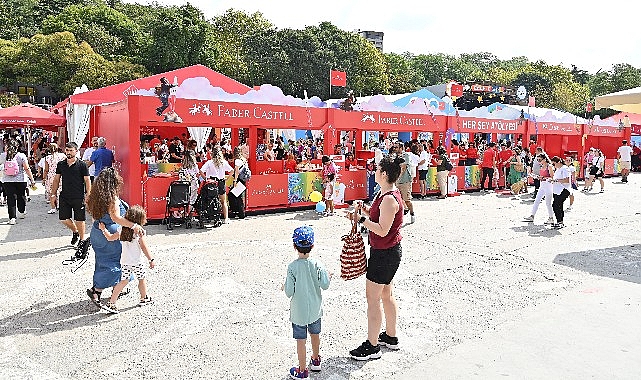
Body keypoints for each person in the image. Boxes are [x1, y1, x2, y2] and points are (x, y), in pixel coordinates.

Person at [348, 154, 404, 361]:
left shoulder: (389, 199)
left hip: (384, 255)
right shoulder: (387, 194)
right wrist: (365, 209)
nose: (374, 172)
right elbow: (379, 218)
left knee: (373, 299)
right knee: (386, 295)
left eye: (377, 169)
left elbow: (381, 229)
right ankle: (390, 336)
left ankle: (372, 346)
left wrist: (361, 218)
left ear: (385, 174)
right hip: (388, 252)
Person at [86, 168, 145, 307]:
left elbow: (94, 216)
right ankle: (97, 290)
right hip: (112, 234)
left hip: (98, 232)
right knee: (117, 263)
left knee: (102, 262)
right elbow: (116, 218)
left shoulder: (94, 196)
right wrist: (133, 226)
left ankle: (105, 290)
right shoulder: (113, 198)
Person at [283, 226, 331, 379]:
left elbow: (289, 292)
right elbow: (325, 285)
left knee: (300, 340)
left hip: (299, 313)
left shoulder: (292, 267)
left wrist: (284, 285)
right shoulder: (318, 265)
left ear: (294, 246)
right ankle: (316, 360)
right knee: (315, 334)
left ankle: (302, 370)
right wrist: (328, 275)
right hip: (315, 310)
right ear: (313, 246)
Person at [99, 205, 155, 314]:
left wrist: (103, 229)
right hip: (137, 262)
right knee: (141, 279)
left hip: (125, 262)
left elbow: (110, 238)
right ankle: (144, 298)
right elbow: (144, 247)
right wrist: (150, 259)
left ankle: (112, 302)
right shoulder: (139, 232)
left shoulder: (122, 230)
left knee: (123, 281)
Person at [50, 142, 92, 254]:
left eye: (71, 150)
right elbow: (56, 179)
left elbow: (87, 180)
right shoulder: (61, 164)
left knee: (80, 219)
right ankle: (75, 231)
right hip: (64, 196)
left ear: (76, 151)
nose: (68, 152)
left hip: (78, 196)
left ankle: (82, 241)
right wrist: (53, 194)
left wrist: (88, 194)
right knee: (63, 218)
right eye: (67, 150)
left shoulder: (82, 165)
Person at [0, 140, 36, 225]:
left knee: (10, 198)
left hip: (7, 181)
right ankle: (22, 211)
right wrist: (32, 179)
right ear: (17, 147)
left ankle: (12, 218)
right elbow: (27, 168)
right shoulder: (21, 155)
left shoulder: (3, 156)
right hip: (20, 180)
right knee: (21, 195)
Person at [200, 145, 233, 223]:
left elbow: (201, 171)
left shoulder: (209, 162)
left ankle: (210, 216)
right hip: (221, 182)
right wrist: (226, 178)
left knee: (210, 200)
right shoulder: (223, 162)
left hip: (211, 182)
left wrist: (206, 179)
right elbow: (231, 171)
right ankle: (226, 218)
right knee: (223, 201)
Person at [523, 154, 555, 224]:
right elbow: (542, 176)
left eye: (540, 160)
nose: (538, 161)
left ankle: (551, 218)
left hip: (548, 185)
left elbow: (553, 177)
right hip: (542, 185)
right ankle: (532, 216)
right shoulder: (542, 166)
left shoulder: (549, 166)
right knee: (537, 200)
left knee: (548, 203)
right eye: (537, 160)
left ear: (544, 159)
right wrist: (537, 177)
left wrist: (543, 178)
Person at [43, 143, 66, 214]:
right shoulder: (62, 156)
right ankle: (61, 205)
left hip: (51, 176)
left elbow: (46, 169)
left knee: (52, 192)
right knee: (61, 191)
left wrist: (44, 178)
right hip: (60, 175)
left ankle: (53, 207)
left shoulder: (47, 158)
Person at [549, 156, 571, 229]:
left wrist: (556, 180)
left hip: (563, 189)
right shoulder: (558, 169)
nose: (553, 166)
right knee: (559, 205)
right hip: (557, 190)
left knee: (556, 205)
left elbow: (567, 180)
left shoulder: (564, 169)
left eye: (554, 164)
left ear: (558, 162)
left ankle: (560, 222)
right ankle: (560, 222)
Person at [395, 148, 415, 223]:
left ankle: (412, 213)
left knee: (407, 200)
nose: (395, 149)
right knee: (396, 200)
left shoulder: (406, 155)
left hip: (405, 181)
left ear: (400, 148)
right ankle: (399, 217)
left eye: (396, 147)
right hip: (397, 181)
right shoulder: (395, 156)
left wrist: (398, 177)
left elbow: (403, 167)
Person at [229, 146, 249, 219]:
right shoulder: (243, 160)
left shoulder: (237, 160)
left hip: (238, 180)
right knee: (237, 196)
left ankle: (238, 212)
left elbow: (237, 171)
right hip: (243, 180)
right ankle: (240, 212)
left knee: (233, 196)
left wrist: (235, 181)